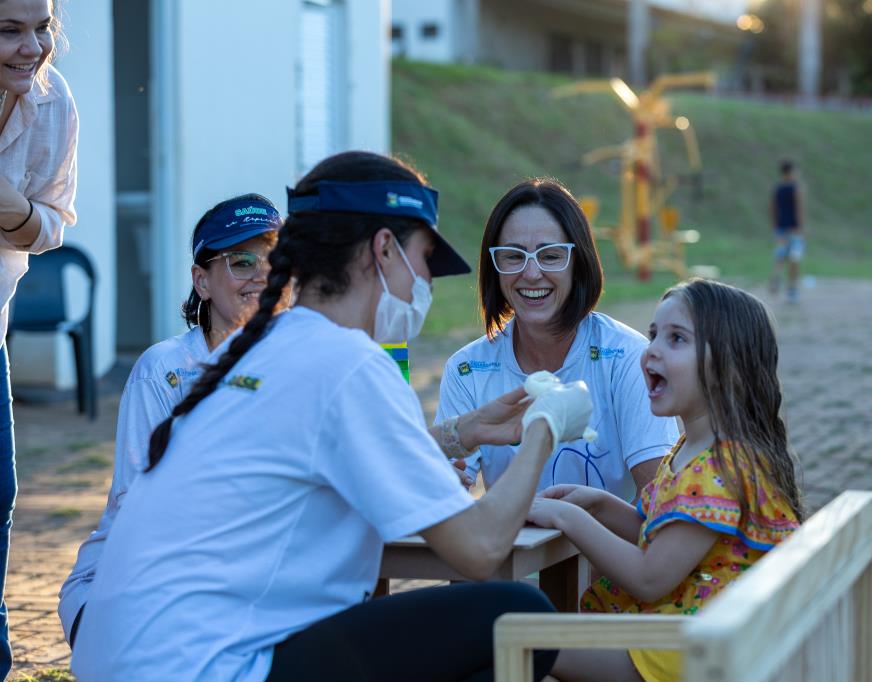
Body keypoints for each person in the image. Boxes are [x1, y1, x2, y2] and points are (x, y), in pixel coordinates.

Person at [70, 151, 594, 681]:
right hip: (211, 667)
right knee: (517, 618)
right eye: (425, 261)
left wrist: (462, 433)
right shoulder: (349, 363)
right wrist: (545, 425)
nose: (425, 285)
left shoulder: (258, 349)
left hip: (128, 659)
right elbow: (480, 549)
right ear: (384, 249)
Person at [527, 278, 804, 682]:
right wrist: (600, 505)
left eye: (676, 339)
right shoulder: (696, 448)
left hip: (690, 653)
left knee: (518, 641)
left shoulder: (722, 468)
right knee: (526, 635)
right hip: (689, 635)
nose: (651, 349)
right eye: (654, 333)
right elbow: (663, 536)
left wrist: (568, 519)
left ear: (727, 366)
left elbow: (649, 578)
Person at [57, 193, 284, 649]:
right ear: (202, 280)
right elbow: (141, 505)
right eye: (242, 261)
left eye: (276, 261)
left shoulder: (299, 363)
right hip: (130, 588)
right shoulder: (164, 369)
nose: (262, 276)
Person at [437, 179, 678, 501]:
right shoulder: (467, 369)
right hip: (512, 536)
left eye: (550, 256)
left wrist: (572, 518)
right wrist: (443, 483)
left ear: (579, 263)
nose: (531, 273)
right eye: (513, 256)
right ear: (494, 267)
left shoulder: (629, 357)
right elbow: (444, 494)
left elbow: (660, 504)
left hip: (612, 537)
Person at [0, 0, 76, 673]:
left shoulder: (53, 102)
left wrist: (12, 209)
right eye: (9, 31)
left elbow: (53, 222)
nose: (33, 47)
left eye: (42, 27)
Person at [770, 160, 804, 302]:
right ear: (790, 172)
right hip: (794, 230)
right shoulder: (795, 188)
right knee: (794, 259)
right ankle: (792, 289)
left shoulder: (777, 189)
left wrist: (775, 226)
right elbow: (798, 209)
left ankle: (775, 280)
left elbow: (773, 209)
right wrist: (800, 228)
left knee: (780, 257)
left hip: (780, 229)